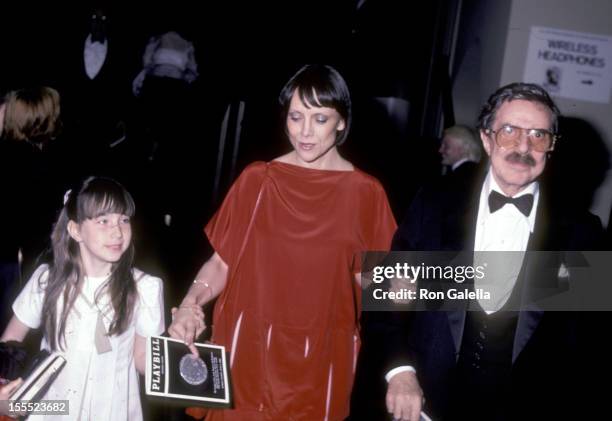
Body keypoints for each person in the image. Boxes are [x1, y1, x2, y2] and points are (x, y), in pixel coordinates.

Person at [168, 64, 397, 420]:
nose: (305, 132)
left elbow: (379, 286)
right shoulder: (257, 180)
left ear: (341, 122)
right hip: (246, 353)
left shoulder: (367, 194)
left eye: (320, 119)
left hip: (319, 363)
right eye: (295, 117)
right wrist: (189, 304)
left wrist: (474, 283)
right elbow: (221, 262)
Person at [383, 83, 604, 420]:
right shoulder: (434, 203)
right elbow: (387, 294)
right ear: (486, 139)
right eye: (510, 131)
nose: (523, 147)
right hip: (427, 407)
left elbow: (587, 346)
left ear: (551, 147)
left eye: (538, 135)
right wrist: (399, 371)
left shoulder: (581, 231)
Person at [0, 176, 166, 420]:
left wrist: (178, 362)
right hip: (55, 409)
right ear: (75, 230)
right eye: (103, 221)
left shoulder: (144, 287)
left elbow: (142, 359)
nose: (117, 231)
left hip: (112, 412)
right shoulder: (47, 281)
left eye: (124, 219)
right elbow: (11, 339)